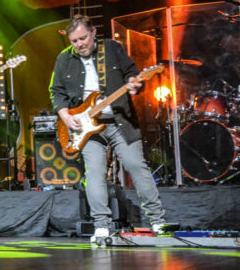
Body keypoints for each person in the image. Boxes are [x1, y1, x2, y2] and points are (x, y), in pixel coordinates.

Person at [49, 15, 170, 242]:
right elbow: (56, 91)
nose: (79, 44)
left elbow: (132, 74)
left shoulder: (112, 48)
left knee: (136, 166)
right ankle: (101, 226)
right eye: (74, 41)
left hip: (119, 121)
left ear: (93, 32)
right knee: (94, 173)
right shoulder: (64, 58)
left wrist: (135, 84)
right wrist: (65, 115)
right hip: (85, 126)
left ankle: (157, 220)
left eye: (83, 38)